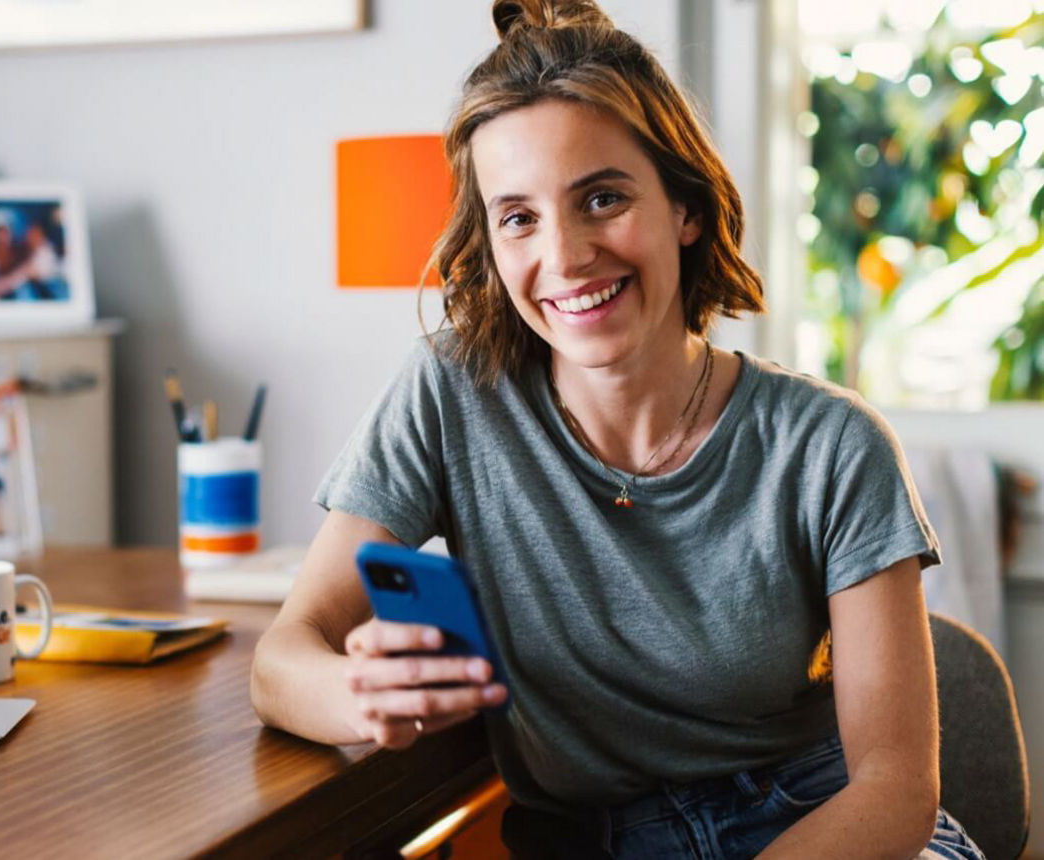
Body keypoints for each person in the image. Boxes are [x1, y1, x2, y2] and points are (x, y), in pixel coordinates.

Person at [250, 2, 985, 858]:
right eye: (518, 216)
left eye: (601, 198)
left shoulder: (832, 446)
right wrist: (361, 696)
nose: (563, 257)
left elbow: (896, 790)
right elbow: (282, 659)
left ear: (686, 208)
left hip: (823, 830)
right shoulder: (454, 392)